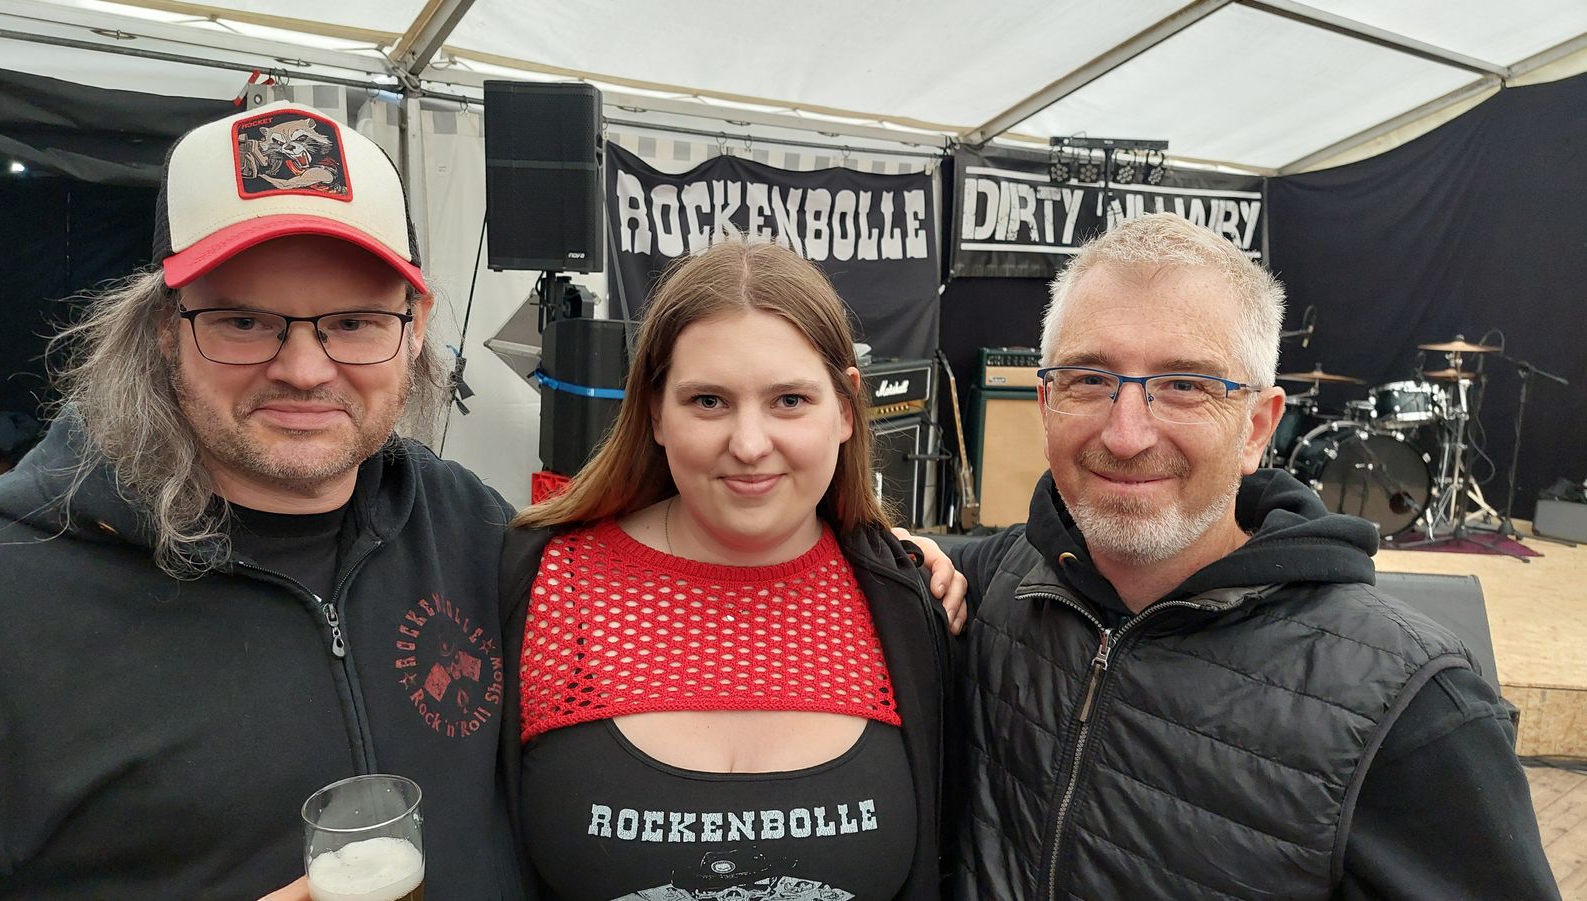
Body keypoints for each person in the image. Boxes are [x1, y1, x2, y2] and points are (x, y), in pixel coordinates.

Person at [926, 213, 1558, 898]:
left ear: (1257, 427)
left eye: (1185, 385)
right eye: (1090, 379)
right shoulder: (992, 581)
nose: (1127, 434)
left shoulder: (1414, 709)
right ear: (1046, 404)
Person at [0, 103, 522, 898]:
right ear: (164, 328)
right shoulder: (11, 586)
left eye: (354, 321)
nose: (304, 369)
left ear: (415, 328)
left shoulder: (474, 527)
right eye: (243, 320)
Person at [499, 239, 961, 901]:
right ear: (655, 410)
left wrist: (906, 562)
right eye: (709, 401)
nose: (748, 444)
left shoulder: (908, 601)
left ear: (845, 409)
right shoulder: (543, 582)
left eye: (789, 400)